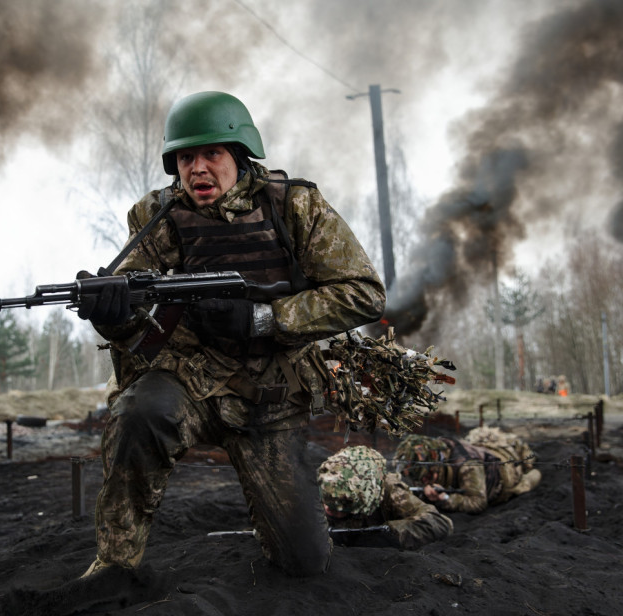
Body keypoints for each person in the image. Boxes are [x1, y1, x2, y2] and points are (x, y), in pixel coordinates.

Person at [75, 91, 386, 578]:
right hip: (187, 380)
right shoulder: (156, 216)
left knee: (304, 563)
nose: (198, 168)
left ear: (240, 155)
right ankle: (114, 567)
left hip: (270, 394)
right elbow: (135, 324)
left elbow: (363, 293)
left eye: (211, 154)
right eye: (185, 157)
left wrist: (264, 319)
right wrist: (109, 315)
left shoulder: (293, 205)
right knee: (138, 411)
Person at [317, 445, 452, 549]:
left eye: (341, 504)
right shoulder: (323, 483)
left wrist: (387, 534)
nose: (328, 509)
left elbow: (439, 523)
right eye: (326, 501)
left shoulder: (388, 490)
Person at [394, 426, 541, 514]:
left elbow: (478, 503)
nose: (423, 481)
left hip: (506, 471)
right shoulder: (435, 452)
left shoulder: (468, 465)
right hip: (481, 450)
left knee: (528, 468)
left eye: (426, 476)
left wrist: (445, 499)